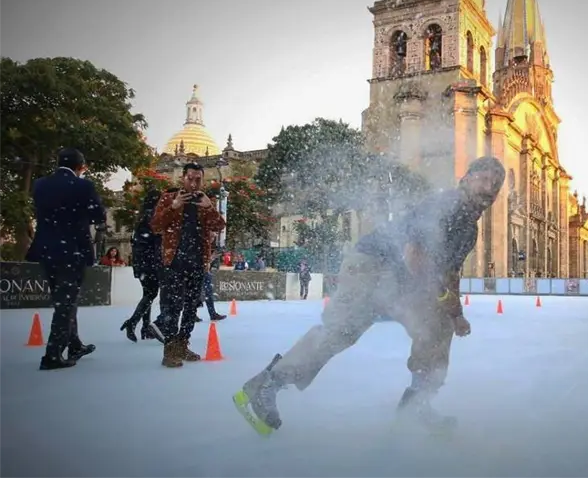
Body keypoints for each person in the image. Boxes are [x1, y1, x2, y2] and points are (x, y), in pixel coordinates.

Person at [233, 156, 505, 434]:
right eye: (484, 179)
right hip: (372, 265)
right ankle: (268, 383)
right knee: (341, 331)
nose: (490, 188)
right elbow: (414, 256)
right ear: (465, 179)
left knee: (437, 327)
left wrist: (456, 315)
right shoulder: (444, 204)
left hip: (402, 280)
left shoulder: (469, 230)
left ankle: (417, 403)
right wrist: (441, 296)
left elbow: (450, 274)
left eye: (496, 184)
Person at [26, 148, 105, 370]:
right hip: (72, 250)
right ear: (80, 167)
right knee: (66, 304)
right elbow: (98, 215)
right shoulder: (83, 186)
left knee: (63, 300)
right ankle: (52, 355)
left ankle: (74, 344)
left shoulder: (41, 184)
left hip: (46, 249)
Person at [148, 163, 225, 368]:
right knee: (173, 307)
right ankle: (170, 350)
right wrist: (174, 206)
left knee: (191, 306)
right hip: (174, 261)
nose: (193, 183)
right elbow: (155, 225)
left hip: (197, 261)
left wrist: (209, 207)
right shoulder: (168, 198)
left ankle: (183, 343)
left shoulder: (204, 201)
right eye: (190, 178)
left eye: (198, 179)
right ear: (183, 178)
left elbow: (219, 226)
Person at [120, 190, 164, 343]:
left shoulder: (142, 217)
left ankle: (145, 327)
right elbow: (156, 241)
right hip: (150, 262)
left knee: (148, 293)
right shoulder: (153, 217)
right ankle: (133, 322)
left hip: (140, 262)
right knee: (151, 294)